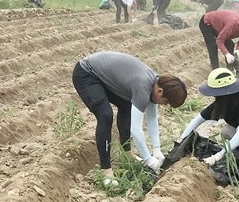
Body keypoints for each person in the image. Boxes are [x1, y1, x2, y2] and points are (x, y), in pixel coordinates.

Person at [72, 51, 187, 186]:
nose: (164, 104)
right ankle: (106, 171)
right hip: (87, 73)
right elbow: (136, 129)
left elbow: (151, 119)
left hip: (103, 75)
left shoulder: (156, 84)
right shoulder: (143, 86)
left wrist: (157, 150)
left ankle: (128, 153)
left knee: (126, 105)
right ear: (160, 91)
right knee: (105, 115)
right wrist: (147, 159)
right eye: (165, 101)